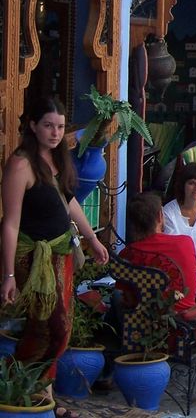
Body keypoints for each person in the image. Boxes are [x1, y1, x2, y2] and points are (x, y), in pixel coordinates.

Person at [1, 97, 109, 417]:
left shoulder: (57, 159)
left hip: (61, 253)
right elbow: (10, 223)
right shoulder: (21, 164)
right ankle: (13, 382)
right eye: (48, 125)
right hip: (33, 260)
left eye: (60, 126)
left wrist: (92, 239)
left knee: (53, 329)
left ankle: (41, 398)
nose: (55, 132)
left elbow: (68, 201)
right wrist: (7, 275)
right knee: (53, 329)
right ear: (33, 125)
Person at [122, 193, 196, 312]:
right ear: (160, 216)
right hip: (182, 323)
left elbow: (126, 298)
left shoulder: (127, 254)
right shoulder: (185, 243)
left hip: (141, 324)